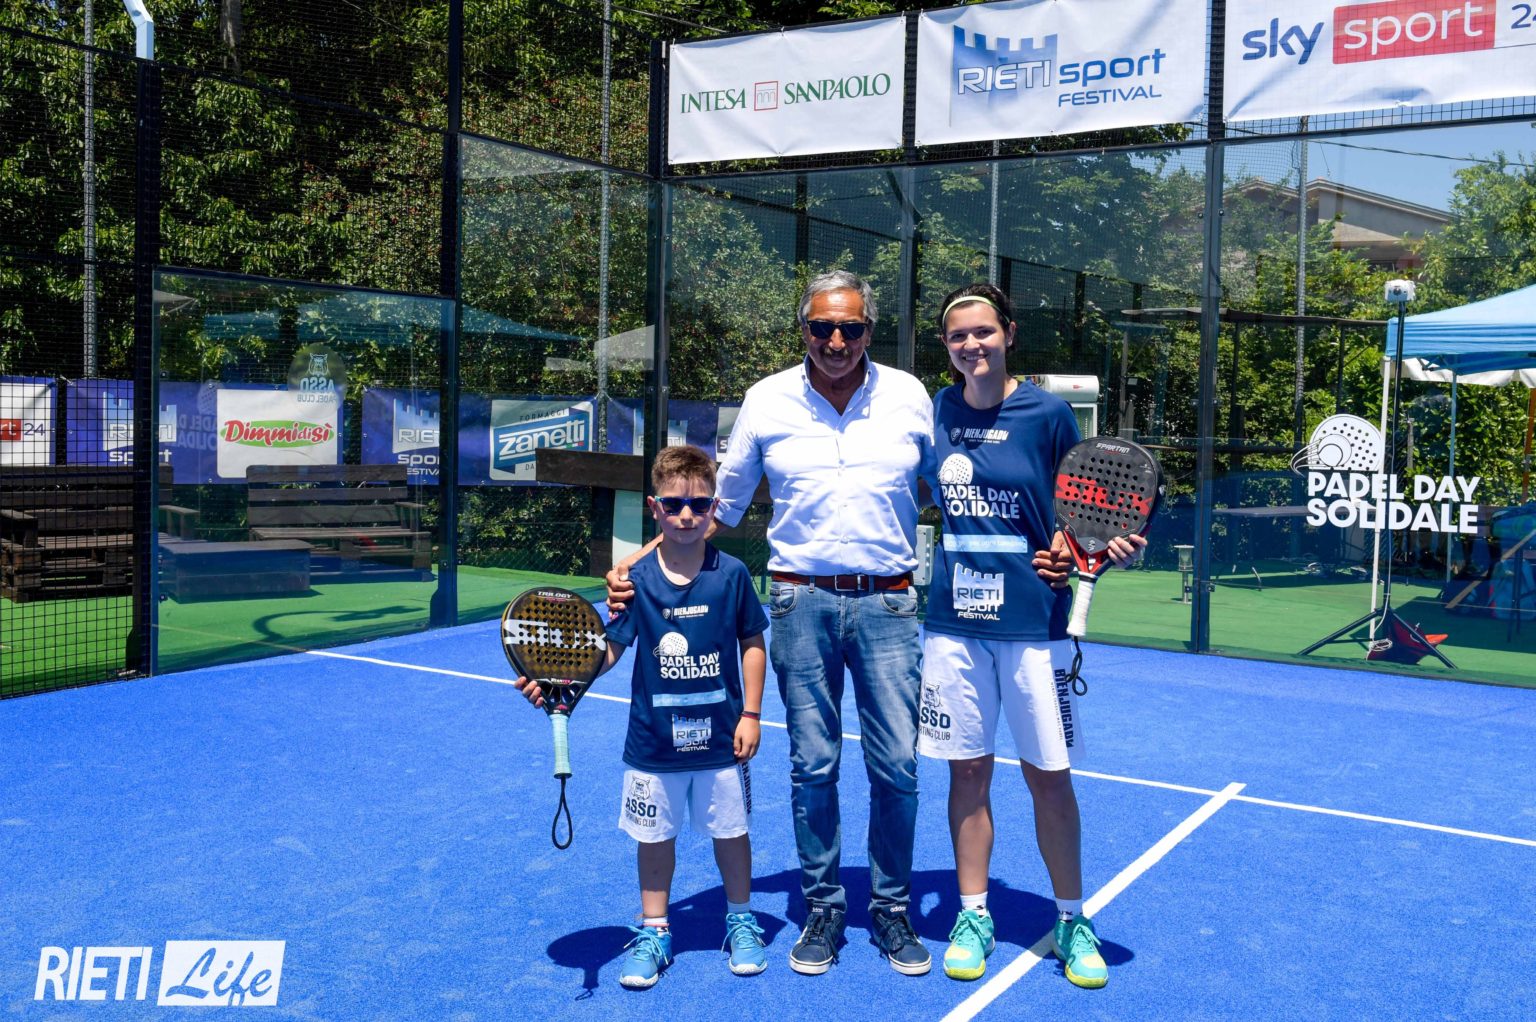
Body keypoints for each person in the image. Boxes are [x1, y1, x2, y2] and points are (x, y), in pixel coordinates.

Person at [612, 270, 948, 976]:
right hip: (799, 604)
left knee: (896, 766)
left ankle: (891, 909)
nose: (836, 341)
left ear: (869, 331)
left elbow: (953, 489)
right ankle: (823, 908)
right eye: (822, 327)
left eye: (850, 328)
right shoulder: (766, 399)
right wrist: (634, 566)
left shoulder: (910, 396)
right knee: (813, 766)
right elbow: (715, 506)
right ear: (803, 328)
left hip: (890, 605)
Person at [919, 283, 1144, 990]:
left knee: (1048, 777)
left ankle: (1072, 919)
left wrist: (1092, 550)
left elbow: (1089, 508)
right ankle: (973, 913)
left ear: (1009, 333)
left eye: (983, 332)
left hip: (1034, 626)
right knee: (967, 773)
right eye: (958, 336)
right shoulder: (935, 411)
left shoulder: (1047, 414)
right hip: (953, 625)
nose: (972, 345)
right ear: (946, 346)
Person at [519, 445, 769, 988]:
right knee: (654, 839)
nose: (686, 515)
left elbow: (752, 642)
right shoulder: (635, 580)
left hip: (722, 740)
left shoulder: (732, 575)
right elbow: (609, 651)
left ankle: (740, 919)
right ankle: (655, 929)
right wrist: (561, 680)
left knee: (731, 833)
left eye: (699, 505)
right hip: (652, 743)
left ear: (714, 508)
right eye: (674, 505)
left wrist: (751, 713)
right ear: (655, 509)